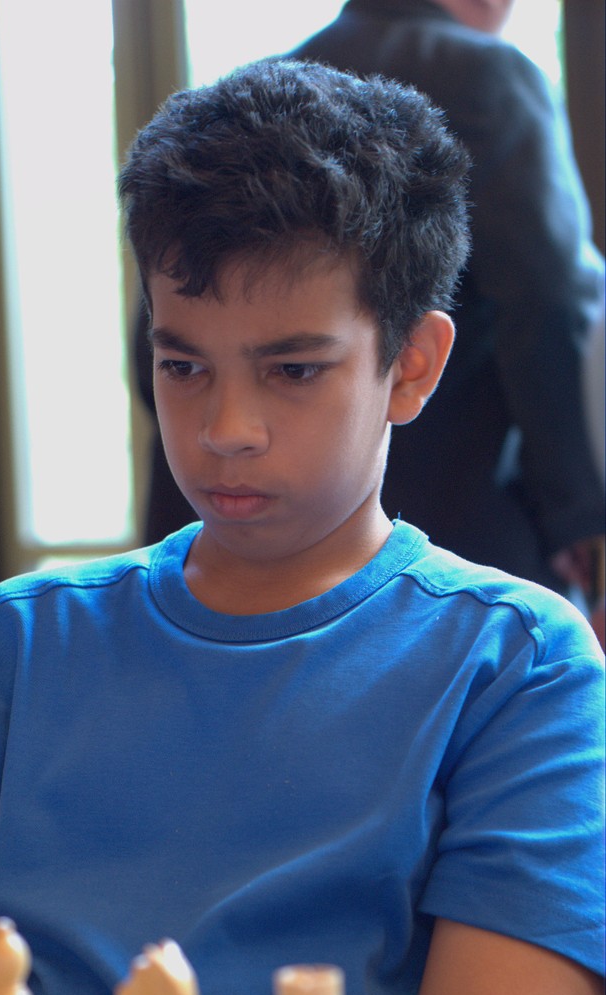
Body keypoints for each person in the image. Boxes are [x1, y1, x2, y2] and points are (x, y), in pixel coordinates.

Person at [0, 60, 604, 995]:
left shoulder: (519, 666)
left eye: (293, 370)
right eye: (182, 366)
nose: (226, 429)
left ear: (411, 365)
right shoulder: (15, 645)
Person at [288, 0, 605, 604]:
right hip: (468, 527)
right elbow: (549, 297)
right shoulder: (490, 73)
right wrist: (581, 517)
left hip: (290, 540)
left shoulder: (269, 82)